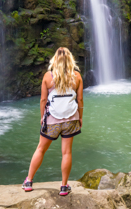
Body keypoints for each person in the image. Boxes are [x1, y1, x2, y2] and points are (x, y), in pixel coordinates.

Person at [22, 47, 84, 196]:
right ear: (70, 60)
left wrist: (42, 116)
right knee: (66, 152)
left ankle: (29, 181)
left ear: (55, 60)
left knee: (41, 149)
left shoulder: (48, 77)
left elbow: (43, 99)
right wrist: (80, 117)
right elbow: (80, 100)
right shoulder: (77, 77)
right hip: (71, 119)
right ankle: (63, 186)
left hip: (52, 120)